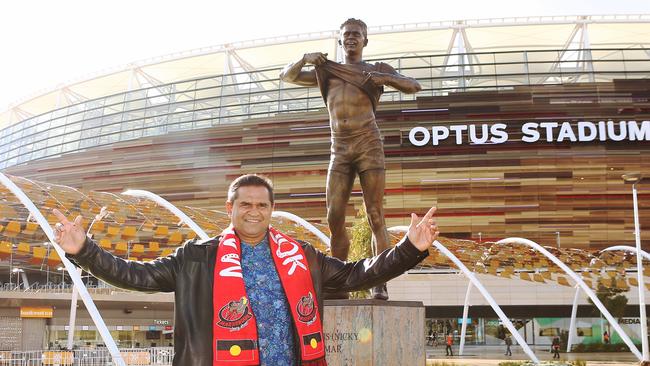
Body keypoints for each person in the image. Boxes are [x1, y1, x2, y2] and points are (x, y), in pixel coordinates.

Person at [53, 174, 438, 366]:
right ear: (230, 208)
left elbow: (359, 274)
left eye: (262, 205)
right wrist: (84, 250)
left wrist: (409, 248)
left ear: (271, 210)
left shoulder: (300, 255)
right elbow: (136, 276)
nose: (254, 212)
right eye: (245, 205)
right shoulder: (196, 258)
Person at [280, 18, 422, 300]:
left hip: (369, 144)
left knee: (375, 216)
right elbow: (287, 76)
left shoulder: (376, 69)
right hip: (339, 148)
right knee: (334, 217)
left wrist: (388, 79)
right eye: (346, 35)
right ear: (340, 39)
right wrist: (304, 59)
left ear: (365, 40)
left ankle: (378, 279)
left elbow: (413, 85)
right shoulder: (327, 71)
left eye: (357, 34)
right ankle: (338, 279)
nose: (351, 38)